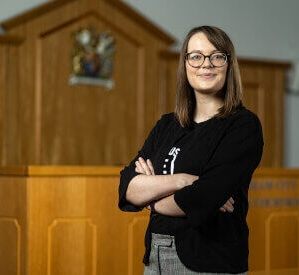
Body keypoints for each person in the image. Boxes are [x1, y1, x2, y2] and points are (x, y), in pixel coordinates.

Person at [118, 25, 264, 275]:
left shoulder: (242, 126)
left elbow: (203, 198)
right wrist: (182, 180)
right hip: (155, 258)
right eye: (195, 56)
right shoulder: (167, 125)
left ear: (228, 65)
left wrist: (151, 197)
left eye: (217, 56)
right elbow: (128, 187)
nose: (205, 64)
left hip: (210, 261)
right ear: (185, 65)